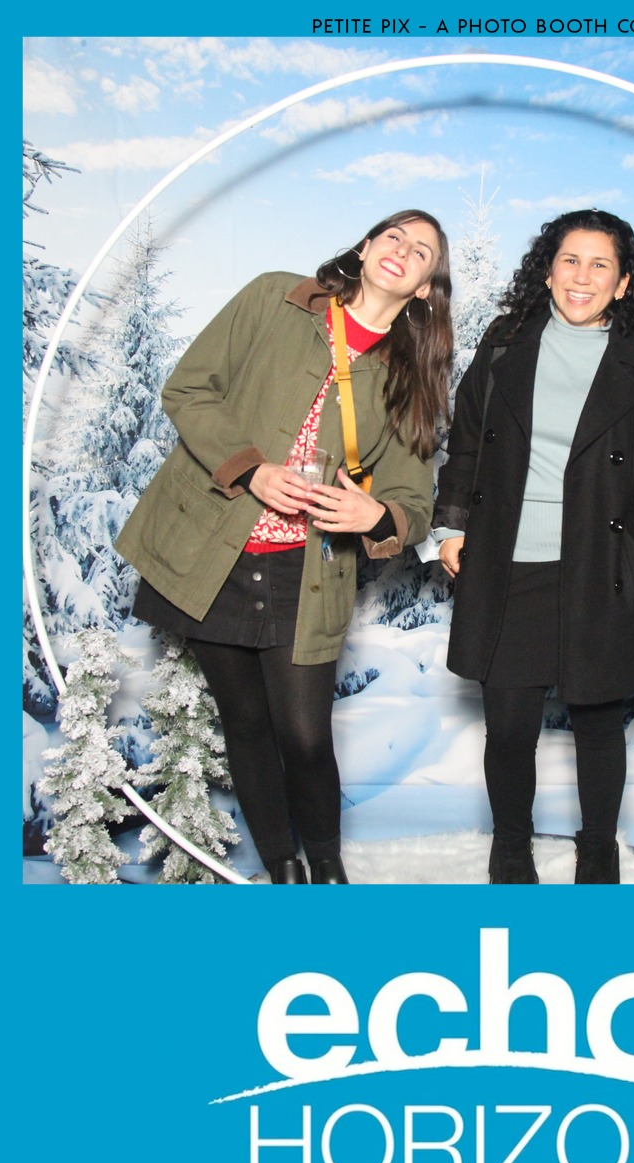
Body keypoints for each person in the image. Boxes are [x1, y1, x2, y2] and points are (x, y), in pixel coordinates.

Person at [117, 210, 453, 884]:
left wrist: (374, 513)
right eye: (393, 235)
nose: (402, 250)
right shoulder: (277, 296)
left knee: (303, 735)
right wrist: (252, 470)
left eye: (421, 252)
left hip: (309, 570)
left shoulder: (411, 378)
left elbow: (413, 505)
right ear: (365, 246)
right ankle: (284, 875)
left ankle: (328, 874)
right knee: (244, 723)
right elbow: (188, 389)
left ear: (424, 287)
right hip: (211, 554)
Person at [433, 209, 634, 885]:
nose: (582, 276)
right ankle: (511, 851)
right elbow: (467, 442)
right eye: (570, 259)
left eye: (601, 264)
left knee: (599, 727)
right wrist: (450, 525)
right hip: (508, 562)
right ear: (547, 270)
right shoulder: (505, 343)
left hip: (600, 566)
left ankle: (597, 854)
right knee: (510, 728)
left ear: (623, 284)